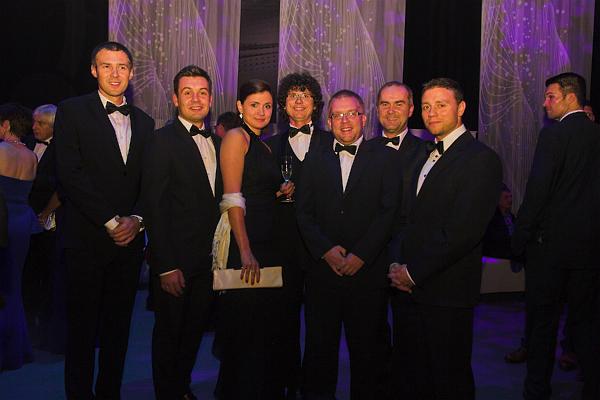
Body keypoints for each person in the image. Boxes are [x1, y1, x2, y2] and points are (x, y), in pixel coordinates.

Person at [388, 78, 502, 400]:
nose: (432, 112)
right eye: (426, 106)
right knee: (414, 377)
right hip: (410, 292)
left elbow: (463, 232)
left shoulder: (480, 159)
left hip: (447, 292)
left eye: (441, 105)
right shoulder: (424, 154)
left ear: (461, 108)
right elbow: (407, 219)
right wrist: (397, 263)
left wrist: (412, 273)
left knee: (449, 379)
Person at [54, 41, 155, 398]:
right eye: (107, 66)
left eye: (122, 67)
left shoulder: (145, 122)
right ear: (94, 70)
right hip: (86, 240)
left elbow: (149, 180)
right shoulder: (72, 111)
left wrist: (138, 219)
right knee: (81, 332)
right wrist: (112, 222)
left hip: (129, 245)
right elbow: (69, 174)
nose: (115, 74)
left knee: (118, 331)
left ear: (131, 72)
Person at [296, 89, 399, 399]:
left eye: (351, 113)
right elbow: (303, 212)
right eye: (337, 115)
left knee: (368, 354)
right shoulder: (313, 159)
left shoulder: (386, 158)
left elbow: (389, 212)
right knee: (318, 352)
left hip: (367, 275)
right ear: (328, 121)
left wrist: (361, 255)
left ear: (363, 118)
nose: (344, 121)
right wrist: (325, 251)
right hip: (322, 276)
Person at [512, 72, 600, 400]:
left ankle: (537, 390)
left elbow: (538, 192)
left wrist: (519, 238)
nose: (544, 103)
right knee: (586, 324)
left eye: (550, 96)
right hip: (590, 250)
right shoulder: (595, 134)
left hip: (550, 249)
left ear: (571, 97)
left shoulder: (554, 135)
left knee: (542, 325)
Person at [142, 65, 221, 400]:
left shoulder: (220, 142)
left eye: (202, 92)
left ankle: (181, 387)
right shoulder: (161, 141)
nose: (196, 99)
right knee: (169, 334)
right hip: (175, 261)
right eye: (187, 92)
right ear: (175, 99)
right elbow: (154, 206)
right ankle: (167, 393)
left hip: (209, 261)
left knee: (193, 332)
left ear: (211, 99)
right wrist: (165, 265)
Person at [215, 79, 293, 400]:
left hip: (269, 241)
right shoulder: (237, 137)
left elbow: (255, 191)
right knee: (245, 328)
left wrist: (279, 192)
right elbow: (233, 198)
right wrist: (245, 250)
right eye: (254, 105)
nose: (261, 111)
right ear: (240, 107)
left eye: (267, 106)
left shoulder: (264, 144)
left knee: (264, 327)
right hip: (247, 243)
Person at [265, 71, 329, 398]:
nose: (299, 101)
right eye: (293, 95)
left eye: (305, 95)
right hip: (284, 246)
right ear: (284, 104)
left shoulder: (332, 142)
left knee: (321, 323)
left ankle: (315, 385)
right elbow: (255, 194)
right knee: (283, 320)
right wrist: (273, 195)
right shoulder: (269, 146)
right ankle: (286, 381)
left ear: (315, 104)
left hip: (321, 247)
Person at [0, 103, 40, 370]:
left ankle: (7, 350)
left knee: (3, 285)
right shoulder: (31, 156)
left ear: (6, 124)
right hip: (23, 221)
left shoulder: (1, 151)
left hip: (3, 222)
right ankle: (18, 346)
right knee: (13, 283)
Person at [22, 104, 61, 350]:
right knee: (28, 273)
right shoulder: (26, 144)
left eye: (41, 123)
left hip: (50, 222)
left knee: (49, 274)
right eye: (34, 122)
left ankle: (47, 331)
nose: (34, 127)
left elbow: (62, 186)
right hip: (25, 219)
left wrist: (46, 213)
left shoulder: (61, 149)